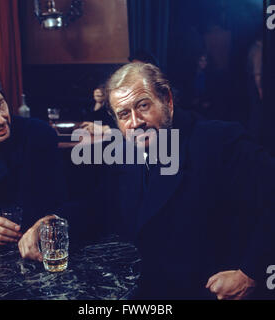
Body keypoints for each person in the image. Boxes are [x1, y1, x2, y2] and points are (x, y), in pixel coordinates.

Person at [23, 62, 275, 300]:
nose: (135, 122)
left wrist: (251, 273)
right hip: (148, 291)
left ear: (167, 100)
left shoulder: (219, 140)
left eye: (143, 106)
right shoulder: (123, 152)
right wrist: (52, 222)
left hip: (209, 291)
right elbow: (99, 206)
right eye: (124, 114)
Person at [0, 64, 66, 261]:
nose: (0, 119)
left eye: (0, 105)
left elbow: (66, 202)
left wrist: (48, 221)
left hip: (36, 255)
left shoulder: (37, 135)